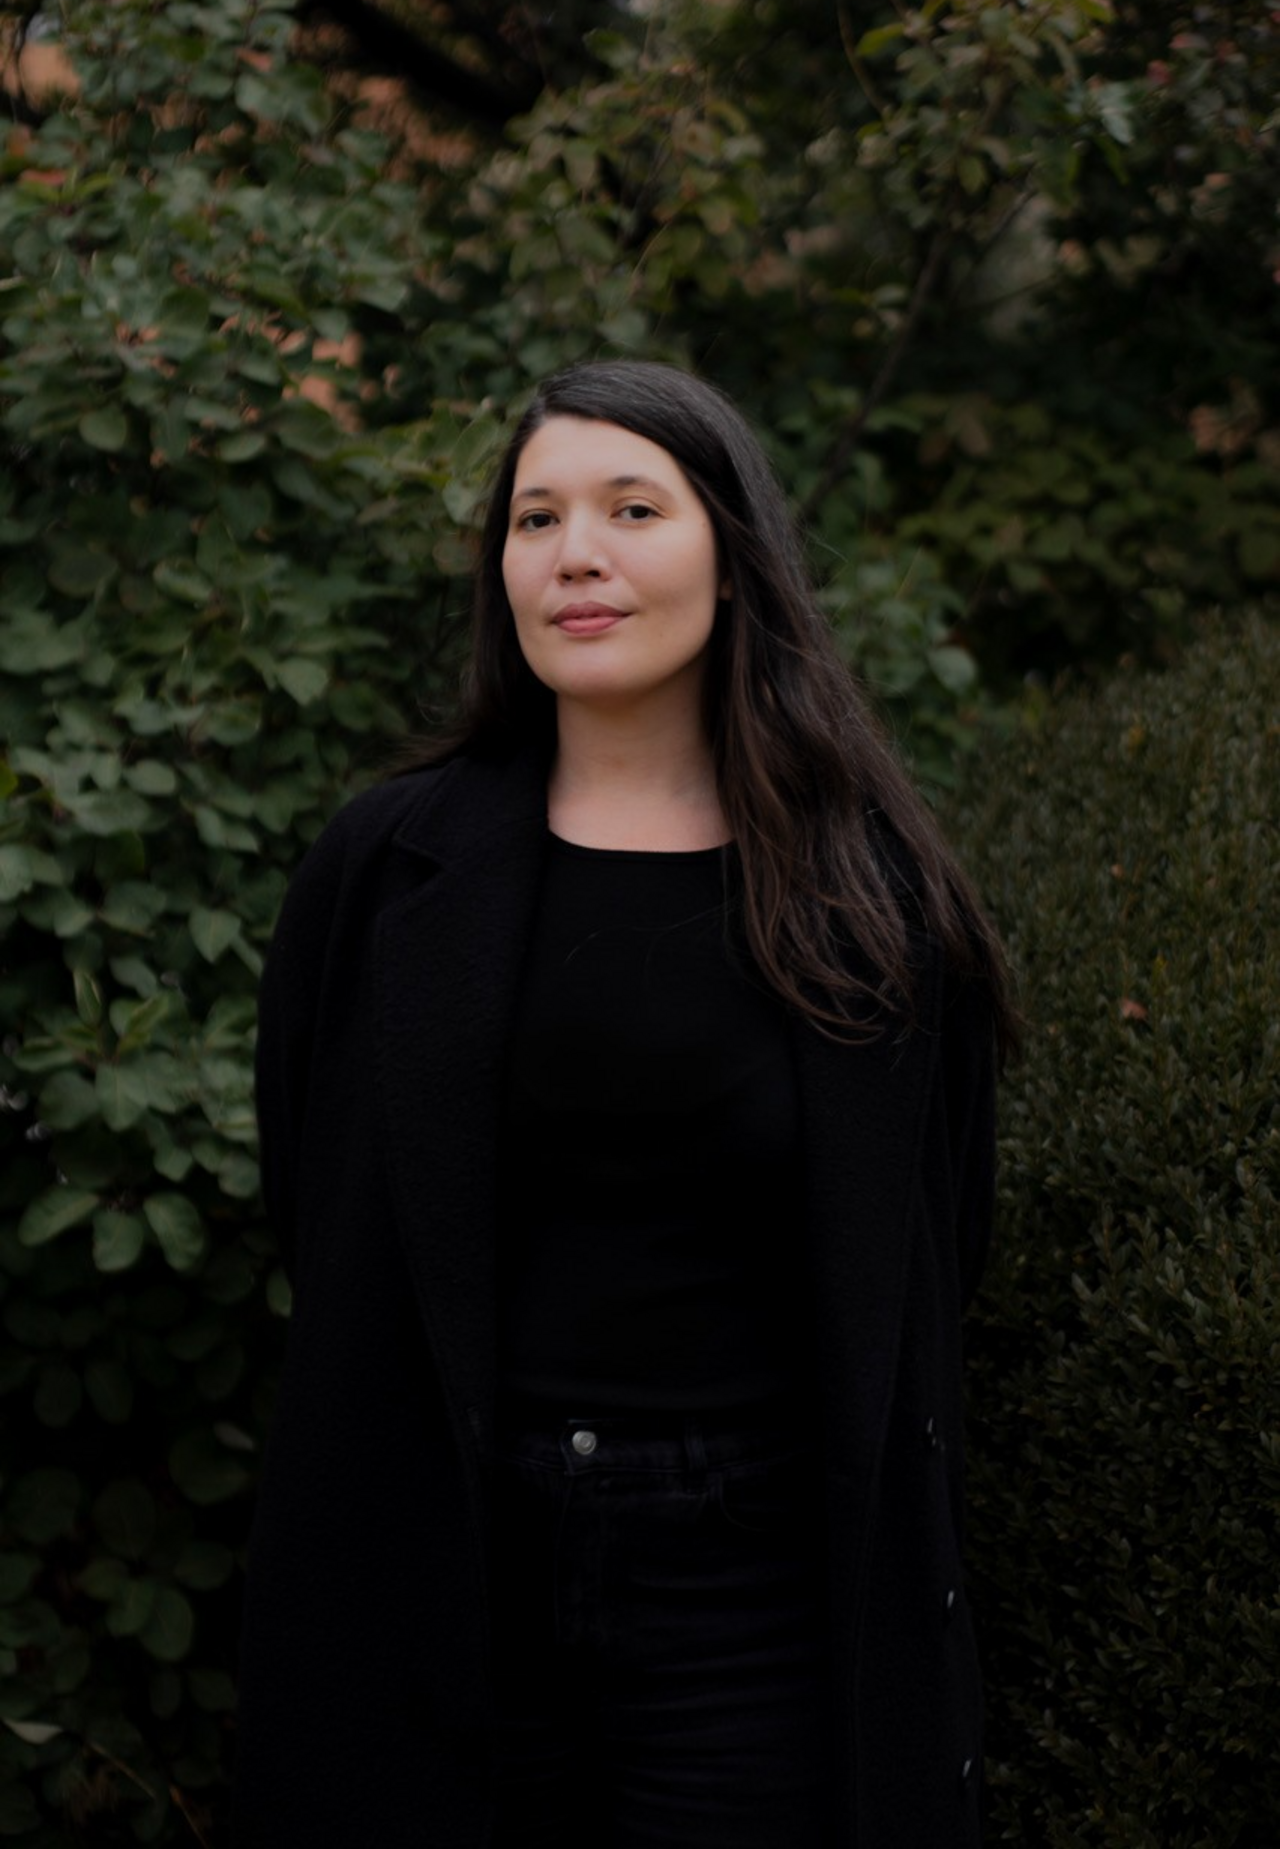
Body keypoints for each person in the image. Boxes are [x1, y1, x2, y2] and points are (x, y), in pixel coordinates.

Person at [231, 359, 1013, 1848]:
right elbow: (320, 1200)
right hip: (442, 1560)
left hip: (757, 1602)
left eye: (631, 509)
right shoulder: (383, 871)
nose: (574, 553)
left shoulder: (870, 895)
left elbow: (932, 1239)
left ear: (736, 554)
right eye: (536, 519)